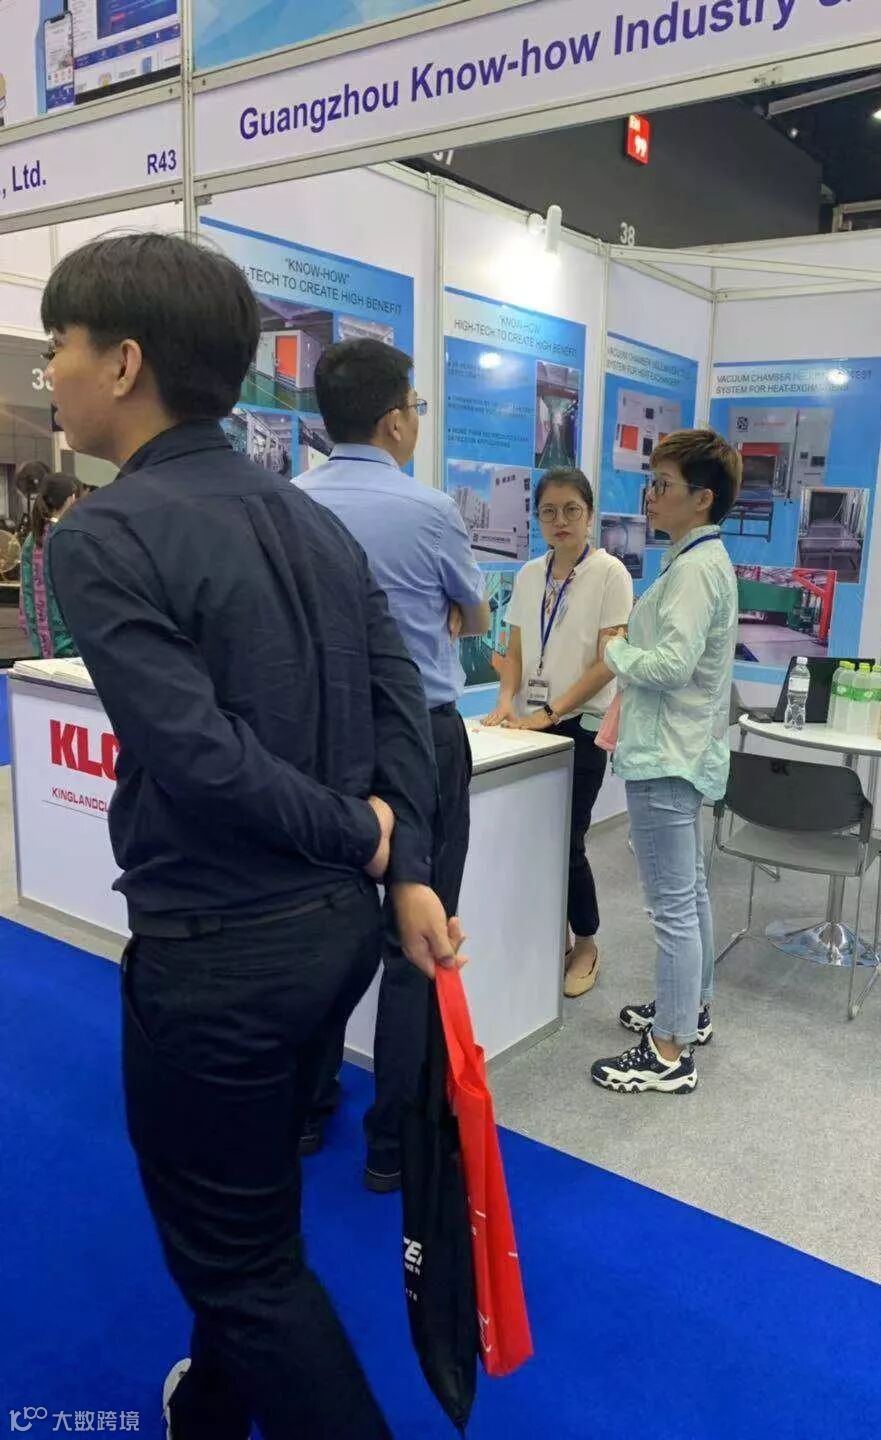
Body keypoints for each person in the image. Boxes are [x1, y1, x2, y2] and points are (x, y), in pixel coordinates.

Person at [44, 231, 462, 1440]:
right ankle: (213, 1412)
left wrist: (375, 843)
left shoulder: (101, 535)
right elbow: (406, 703)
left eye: (60, 347)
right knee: (251, 1210)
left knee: (240, 1267)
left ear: (125, 363)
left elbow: (198, 757)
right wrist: (398, 858)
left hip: (220, 956)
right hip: (331, 941)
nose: (51, 374)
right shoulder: (308, 517)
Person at [297, 337, 488, 1185]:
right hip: (420, 739)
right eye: (414, 406)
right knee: (420, 933)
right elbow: (475, 617)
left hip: (322, 746)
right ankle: (393, 1144)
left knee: (322, 926)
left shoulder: (290, 502)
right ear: (394, 421)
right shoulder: (430, 510)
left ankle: (306, 1111)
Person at [591, 429, 740, 1097]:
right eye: (651, 483)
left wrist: (616, 650)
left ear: (702, 498)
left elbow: (672, 667)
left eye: (663, 485)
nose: (650, 497)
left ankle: (669, 1052)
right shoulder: (698, 561)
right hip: (682, 750)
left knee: (673, 908)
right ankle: (690, 1010)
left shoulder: (695, 571)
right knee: (691, 895)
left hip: (665, 755)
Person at [484, 468, 633, 996]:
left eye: (572, 509)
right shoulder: (529, 574)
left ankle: (586, 941)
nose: (560, 520)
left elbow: (608, 662)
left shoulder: (610, 573)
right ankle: (554, 935)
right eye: (548, 511)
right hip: (530, 723)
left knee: (567, 839)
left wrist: (550, 713)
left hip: (580, 726)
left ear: (589, 515)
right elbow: (516, 650)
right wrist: (505, 701)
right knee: (532, 837)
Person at [19, 472, 78, 658]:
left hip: (39, 638)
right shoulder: (68, 536)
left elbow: (25, 590)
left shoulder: (32, 538)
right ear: (70, 499)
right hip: (69, 640)